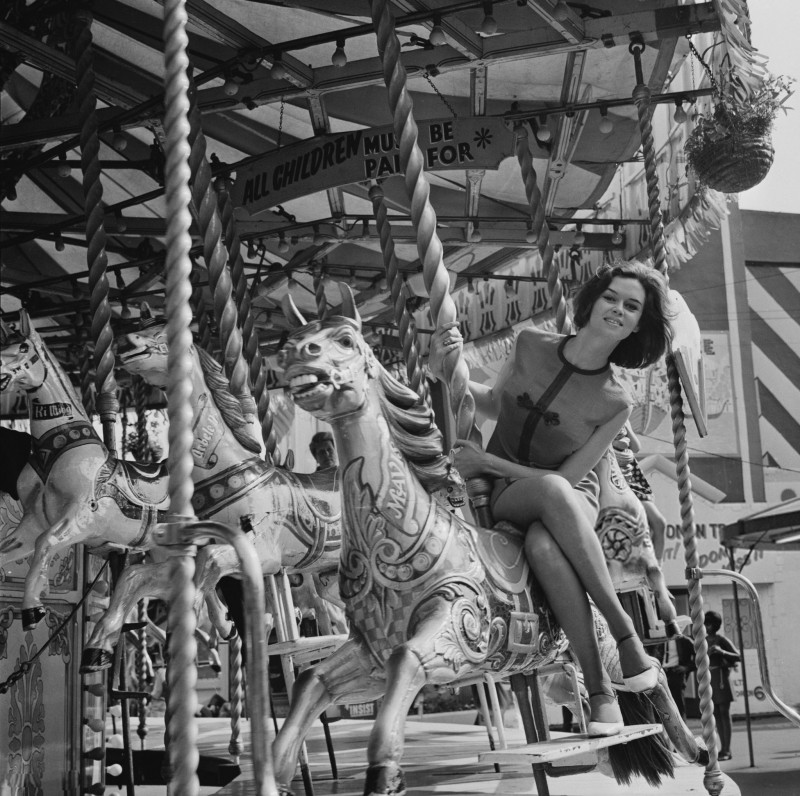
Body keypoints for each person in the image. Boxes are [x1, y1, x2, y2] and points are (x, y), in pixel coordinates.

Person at [429, 260, 672, 737]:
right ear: (594, 300)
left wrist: (489, 462)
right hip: (508, 493)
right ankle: (625, 635)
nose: (617, 309)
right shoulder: (530, 343)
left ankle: (601, 692)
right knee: (545, 502)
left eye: (631, 306)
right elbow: (495, 403)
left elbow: (566, 477)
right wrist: (446, 370)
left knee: (543, 542)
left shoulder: (616, 402)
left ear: (639, 324)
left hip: (568, 497)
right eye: (611, 297)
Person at [704, 609, 740, 761]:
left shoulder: (721, 639)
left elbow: (738, 656)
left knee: (724, 712)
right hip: (710, 679)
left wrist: (722, 652)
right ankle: (722, 748)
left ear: (712, 625)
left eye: (707, 624)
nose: (705, 626)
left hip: (721, 679)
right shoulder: (703, 640)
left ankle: (727, 749)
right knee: (717, 714)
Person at [662, 628, 695, 719]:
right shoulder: (660, 640)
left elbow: (699, 654)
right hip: (662, 673)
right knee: (663, 704)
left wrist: (687, 667)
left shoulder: (684, 640)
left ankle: (682, 730)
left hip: (676, 673)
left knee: (678, 704)